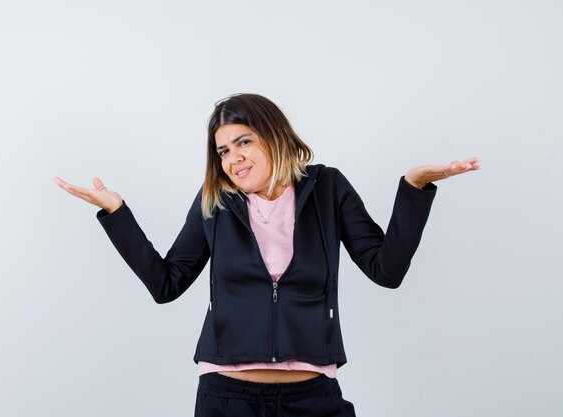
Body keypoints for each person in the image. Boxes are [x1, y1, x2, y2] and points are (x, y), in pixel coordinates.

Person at [53, 93, 480, 417]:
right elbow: (166, 284)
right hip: (226, 397)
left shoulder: (328, 188)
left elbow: (386, 270)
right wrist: (115, 213)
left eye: (244, 142)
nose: (234, 159)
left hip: (313, 397)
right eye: (223, 151)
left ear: (275, 136)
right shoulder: (214, 203)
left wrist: (414, 188)